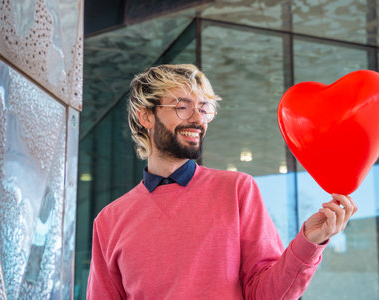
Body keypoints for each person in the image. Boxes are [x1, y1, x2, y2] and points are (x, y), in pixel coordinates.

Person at [87, 64, 358, 299]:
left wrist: (309, 242)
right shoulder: (109, 221)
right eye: (182, 107)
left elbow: (268, 294)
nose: (197, 119)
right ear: (145, 116)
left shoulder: (237, 190)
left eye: (204, 108)